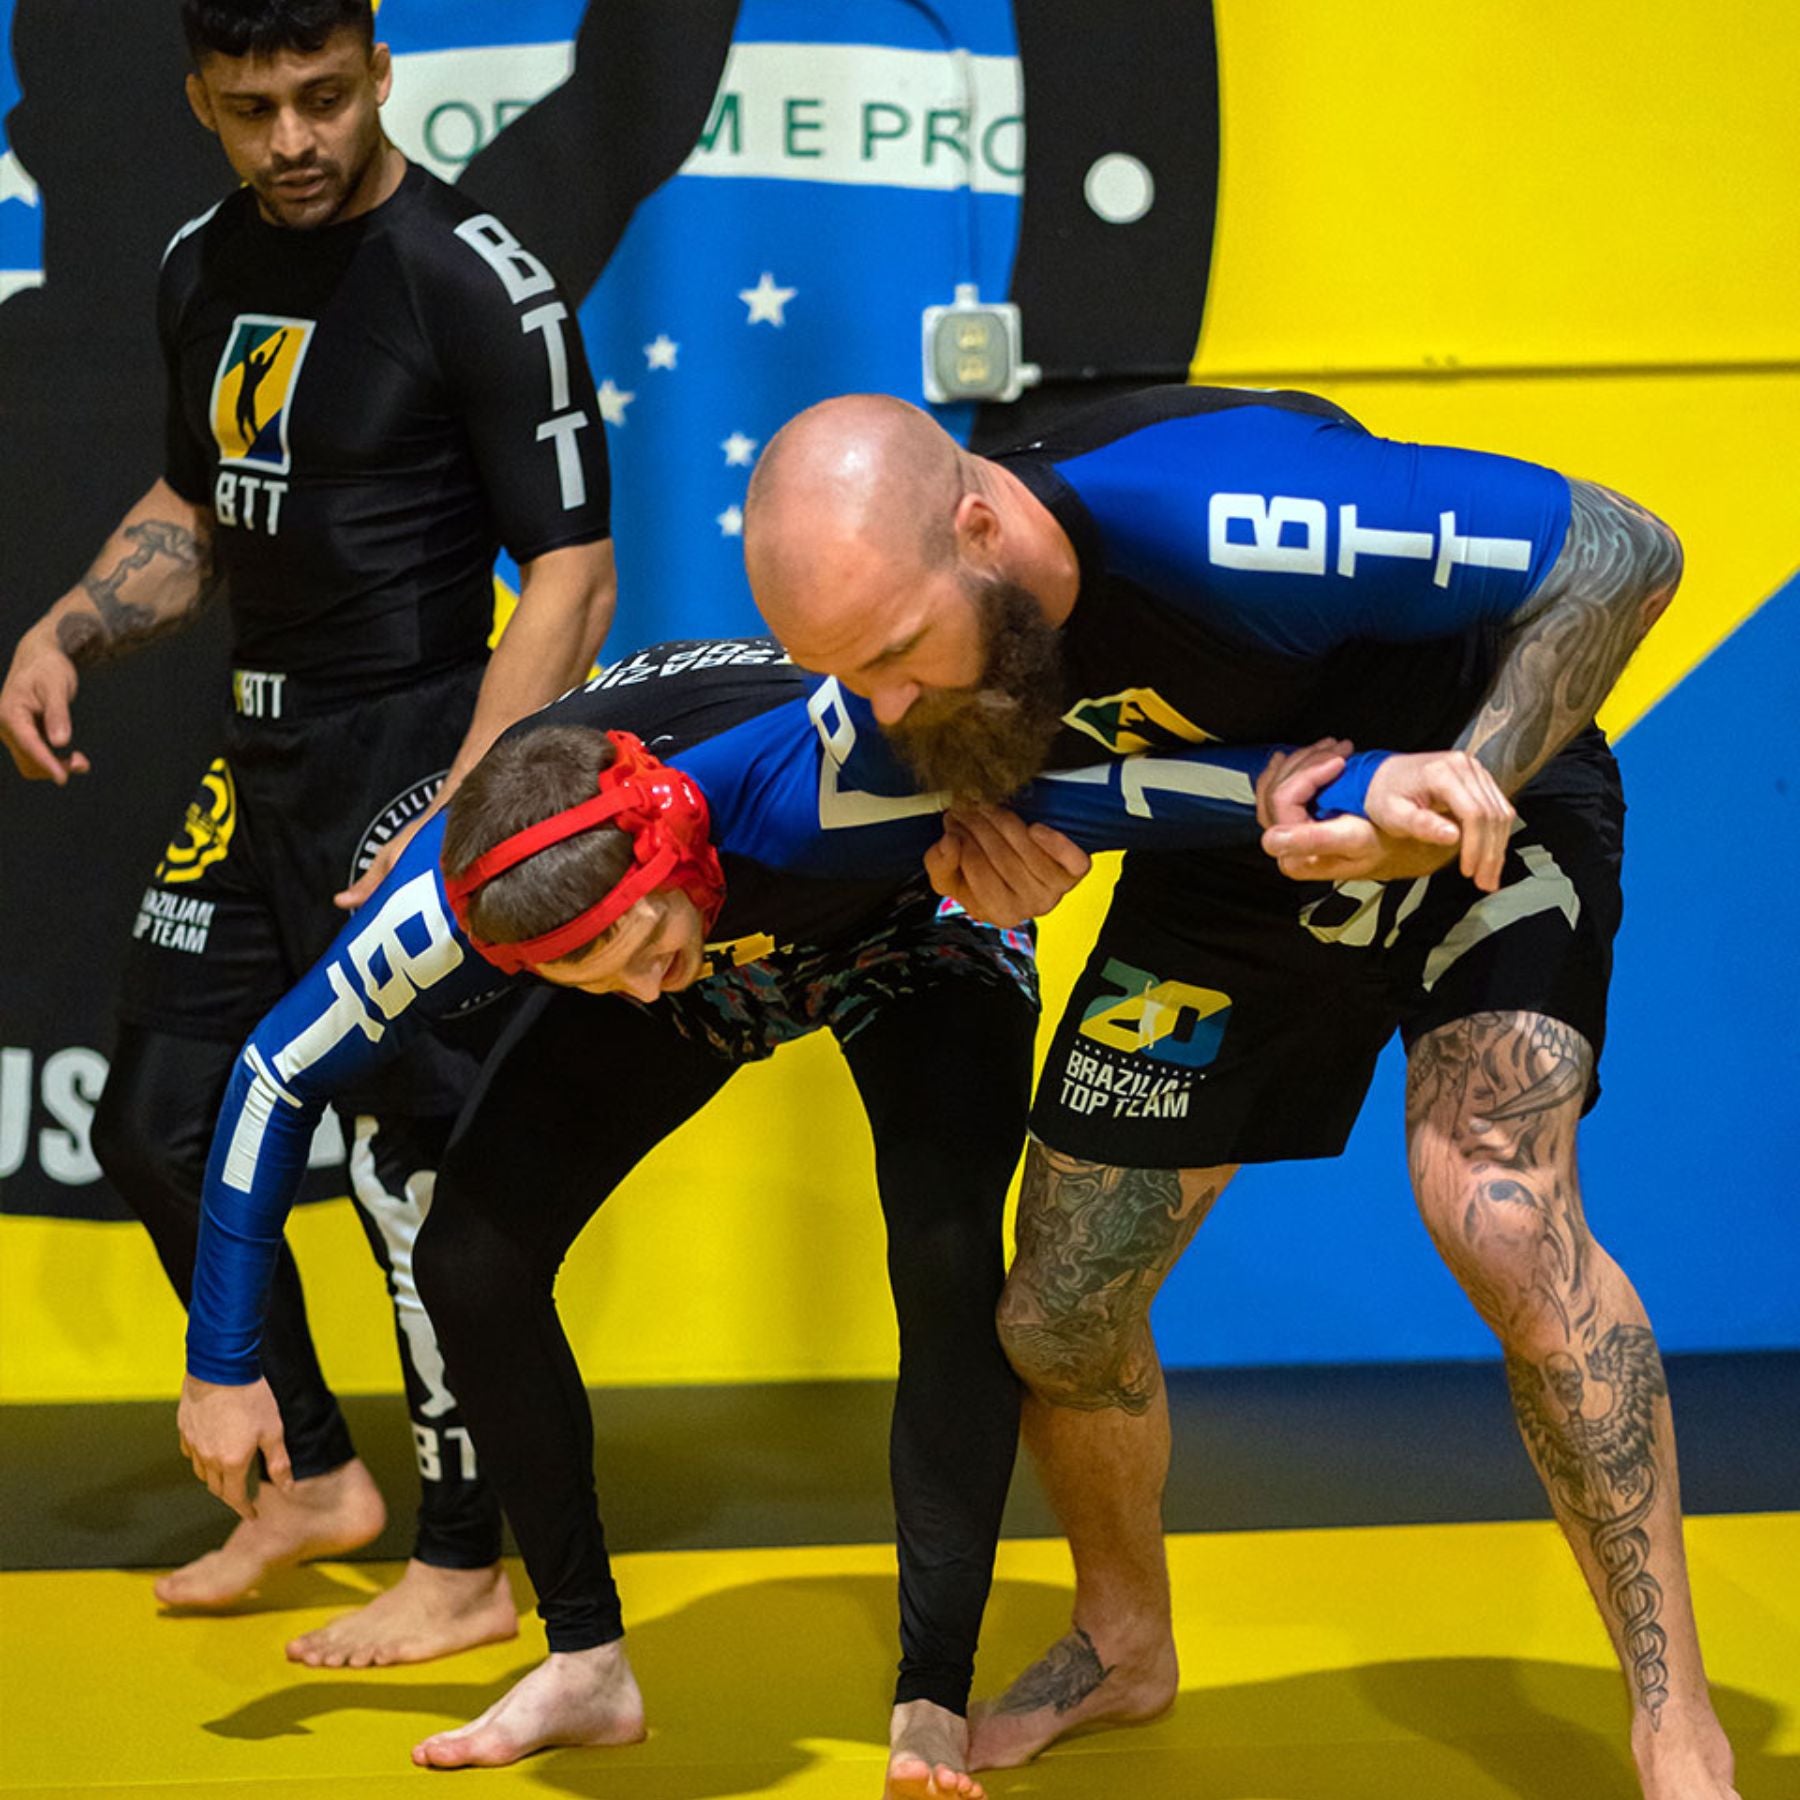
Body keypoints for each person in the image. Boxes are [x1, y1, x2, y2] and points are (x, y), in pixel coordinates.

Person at [173, 636, 1479, 1793]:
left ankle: (931, 1694)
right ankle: (585, 1666)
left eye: (631, 952)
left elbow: (1114, 786)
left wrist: (1371, 790)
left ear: (674, 851)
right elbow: (273, 1074)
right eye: (580, 974)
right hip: (721, 937)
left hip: (905, 922)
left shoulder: (824, 786)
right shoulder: (472, 908)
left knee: (949, 1248)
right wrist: (223, 1363)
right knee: (471, 1252)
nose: (628, 993)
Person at [742, 388, 1740, 1800]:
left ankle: (1675, 1717)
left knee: (1504, 1216)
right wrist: (991, 828)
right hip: (1237, 856)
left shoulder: (1239, 515)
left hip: (1474, 806)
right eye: (854, 678)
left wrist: (1467, 777)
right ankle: (1123, 1641)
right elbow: (1015, 778)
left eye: (900, 657)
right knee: (1058, 1305)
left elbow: (1628, 550)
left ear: (981, 528)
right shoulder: (919, 633)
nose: (887, 706)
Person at [0, 0, 614, 1668]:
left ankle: (467, 1559)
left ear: (379, 74)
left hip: (422, 754)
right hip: (254, 752)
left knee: (411, 1171)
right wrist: (69, 622)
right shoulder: (200, 262)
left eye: (324, 97)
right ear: (201, 99)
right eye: (254, 105)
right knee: (158, 1123)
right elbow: (200, 503)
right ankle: (318, 1479)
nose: (294, 139)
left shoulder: (477, 276)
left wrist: (468, 815)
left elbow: (571, 570)